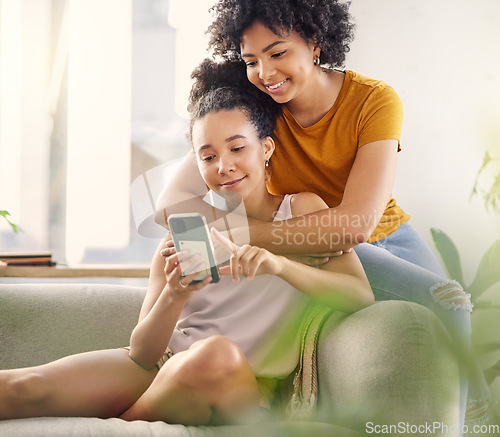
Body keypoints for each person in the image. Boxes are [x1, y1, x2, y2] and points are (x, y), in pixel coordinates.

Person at [152, 0, 495, 430]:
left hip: (387, 233)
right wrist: (232, 239)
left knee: (454, 304)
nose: (266, 73)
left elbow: (356, 224)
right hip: (311, 236)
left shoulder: (374, 100)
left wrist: (242, 235)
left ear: (314, 43)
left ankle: (477, 421)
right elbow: (170, 208)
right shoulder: (258, 109)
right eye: (251, 60)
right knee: (451, 300)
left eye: (278, 53)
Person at [0, 59, 375, 425]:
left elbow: (359, 295)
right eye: (208, 156)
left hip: (239, 384)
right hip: (164, 366)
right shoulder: (191, 226)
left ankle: (127, 419)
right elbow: (144, 353)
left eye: (237, 148)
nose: (223, 166)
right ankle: (137, 412)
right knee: (24, 386)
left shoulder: (302, 211)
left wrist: (280, 264)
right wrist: (174, 295)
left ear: (267, 149)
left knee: (215, 355)